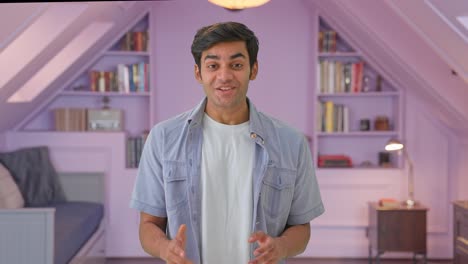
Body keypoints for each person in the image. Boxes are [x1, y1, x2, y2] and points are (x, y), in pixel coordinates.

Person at [130, 21, 324, 264]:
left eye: (236, 65)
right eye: (213, 65)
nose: (224, 76)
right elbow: (148, 225)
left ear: (253, 70)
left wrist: (281, 247)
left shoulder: (291, 142)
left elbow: (301, 229)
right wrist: (164, 249)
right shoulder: (162, 138)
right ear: (198, 73)